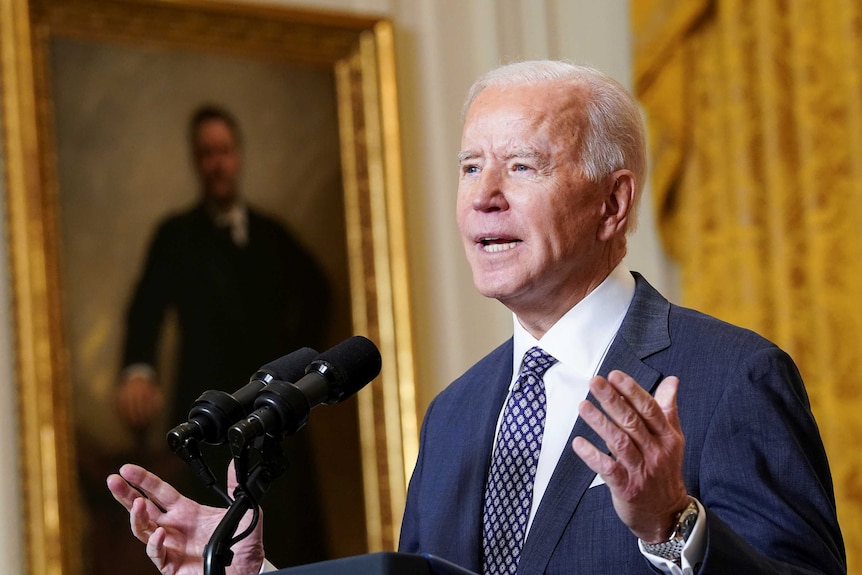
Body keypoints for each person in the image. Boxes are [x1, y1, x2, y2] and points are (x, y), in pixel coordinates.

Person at [107, 62, 846, 575]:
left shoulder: (732, 375)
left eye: (522, 166)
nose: (484, 195)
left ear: (613, 205)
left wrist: (675, 527)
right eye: (469, 167)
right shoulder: (454, 414)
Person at [112, 104, 331, 567]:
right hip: (209, 424)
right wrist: (138, 370)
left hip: (276, 419)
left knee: (292, 545)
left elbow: (320, 295)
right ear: (197, 160)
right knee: (215, 551)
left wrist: (300, 371)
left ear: (239, 156)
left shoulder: (273, 236)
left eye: (225, 151)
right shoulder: (176, 236)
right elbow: (145, 310)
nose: (217, 162)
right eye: (207, 152)